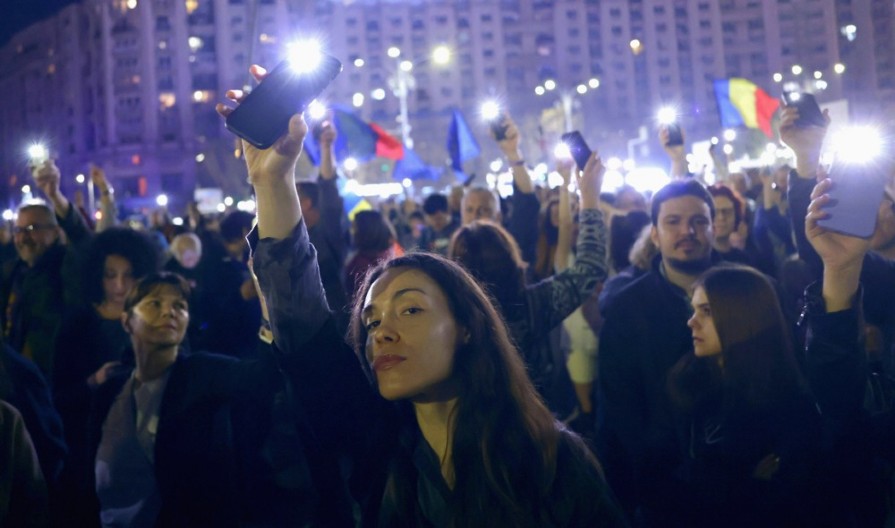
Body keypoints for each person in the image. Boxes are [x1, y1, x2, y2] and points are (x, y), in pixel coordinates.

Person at [225, 70, 627, 527]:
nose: (383, 332)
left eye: (410, 309)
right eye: (371, 322)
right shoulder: (372, 451)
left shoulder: (554, 463)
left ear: (468, 325)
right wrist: (273, 181)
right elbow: (300, 318)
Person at [596, 178, 721, 522]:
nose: (688, 231)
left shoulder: (749, 293)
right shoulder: (627, 309)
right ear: (654, 234)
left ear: (713, 227)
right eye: (673, 222)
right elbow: (620, 411)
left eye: (698, 221)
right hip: (663, 494)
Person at [664, 265, 823, 525]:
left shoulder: (787, 405)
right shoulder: (688, 384)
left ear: (742, 316)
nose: (691, 321)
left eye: (706, 311)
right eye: (694, 310)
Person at [344, 210, 400, 302]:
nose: (352, 233)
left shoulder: (360, 266)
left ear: (366, 231)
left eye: (355, 228)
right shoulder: (390, 253)